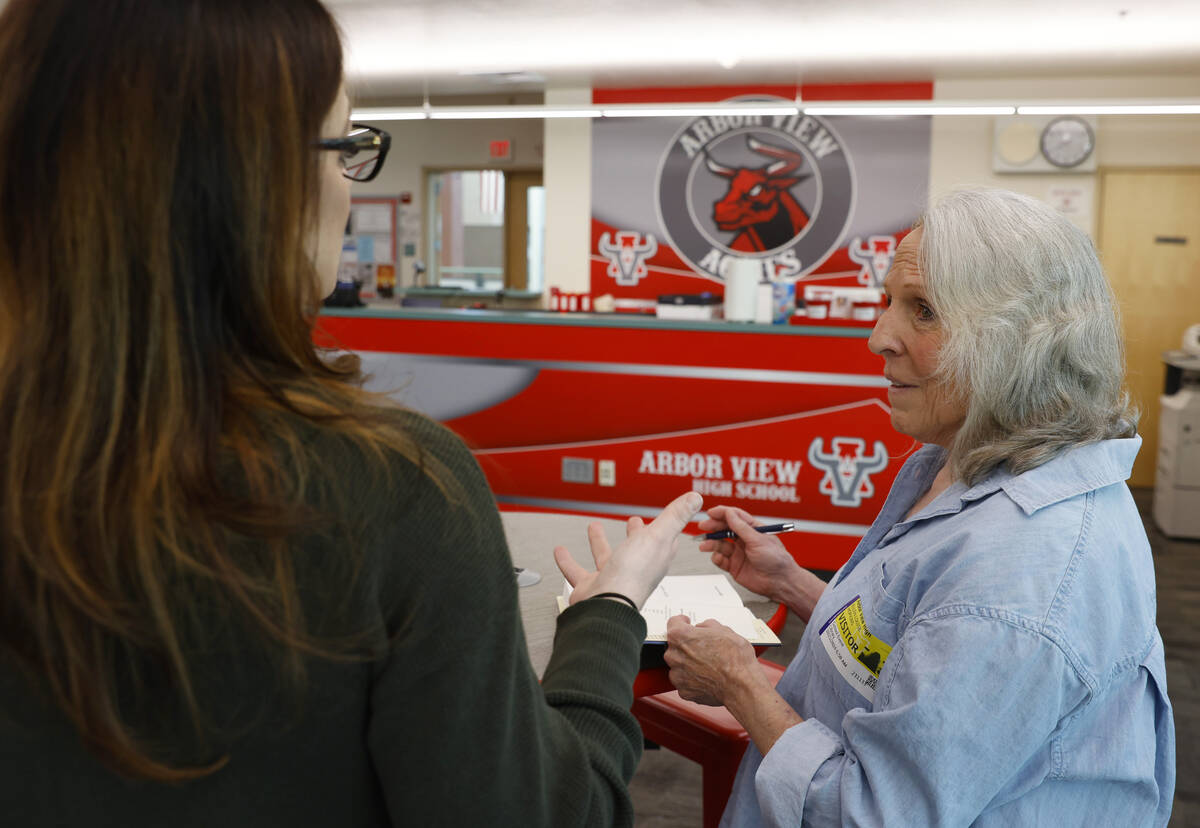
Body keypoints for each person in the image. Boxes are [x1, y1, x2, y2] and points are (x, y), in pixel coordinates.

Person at [0, 1, 701, 825]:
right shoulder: (395, 489)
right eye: (346, 147)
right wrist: (607, 619)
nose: (350, 189)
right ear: (252, 179)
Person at [664, 189, 1176, 826]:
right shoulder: (975, 463)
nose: (880, 337)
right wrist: (790, 581)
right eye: (888, 302)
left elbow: (870, 813)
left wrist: (739, 683)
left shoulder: (1013, 582)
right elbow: (910, 653)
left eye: (924, 311)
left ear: (1019, 341)